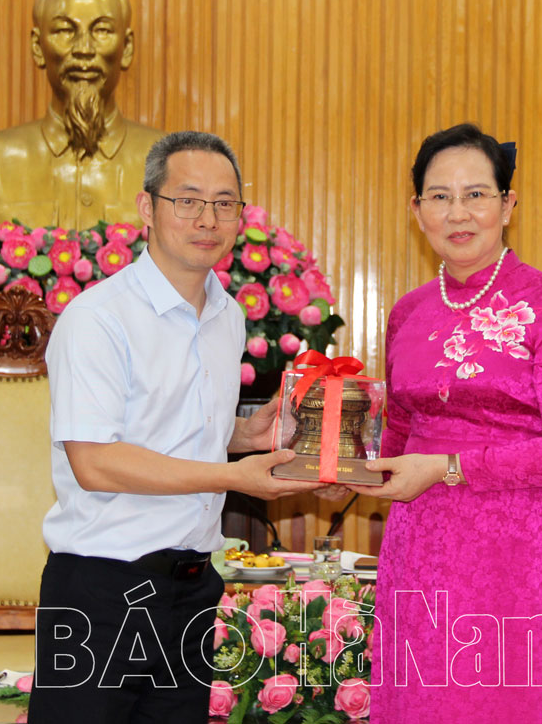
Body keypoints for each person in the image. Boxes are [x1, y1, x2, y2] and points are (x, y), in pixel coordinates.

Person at [28, 131, 325, 724]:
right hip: (102, 590)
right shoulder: (98, 319)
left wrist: (249, 434)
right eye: (188, 200)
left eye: (224, 203)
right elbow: (95, 462)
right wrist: (233, 475)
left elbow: (177, 428)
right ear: (147, 207)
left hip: (191, 590)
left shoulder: (227, 315)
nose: (207, 219)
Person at [353, 124, 542, 723]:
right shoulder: (407, 313)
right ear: (416, 211)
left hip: (517, 546)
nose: (457, 213)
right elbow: (398, 432)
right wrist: (349, 472)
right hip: (419, 540)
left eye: (476, 195)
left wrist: (447, 468)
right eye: (439, 196)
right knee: (420, 699)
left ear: (508, 205)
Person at [0, 0, 164, 229]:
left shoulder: (173, 165)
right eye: (64, 31)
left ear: (126, 48)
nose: (84, 49)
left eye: (102, 31)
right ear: (38, 47)